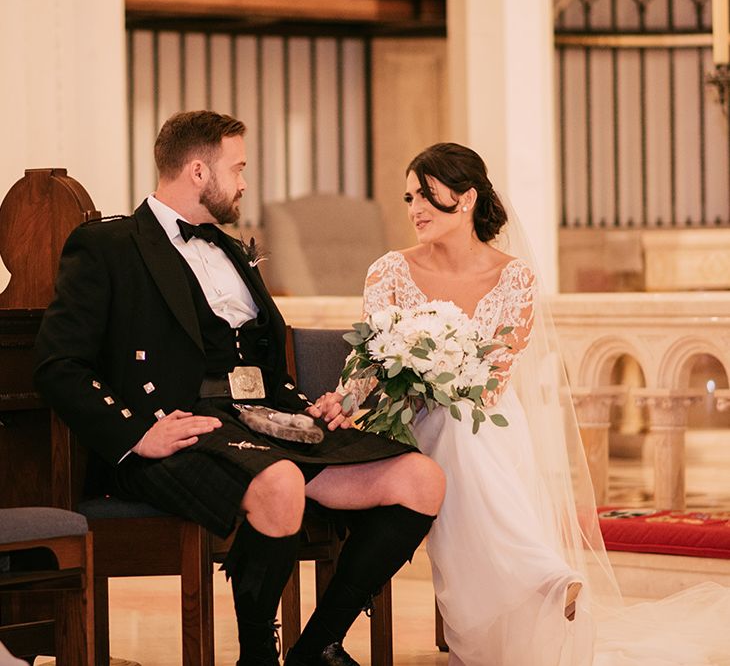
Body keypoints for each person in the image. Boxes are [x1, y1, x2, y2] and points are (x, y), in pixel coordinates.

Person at [34, 110, 445, 666]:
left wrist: (310, 408)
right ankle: (257, 655)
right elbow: (59, 363)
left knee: (421, 479)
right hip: (179, 431)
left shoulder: (229, 249)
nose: (246, 182)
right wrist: (136, 435)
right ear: (199, 171)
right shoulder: (108, 246)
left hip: (264, 421)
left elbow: (266, 363)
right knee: (279, 485)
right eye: (239, 167)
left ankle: (318, 644)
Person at [315, 142, 730, 665]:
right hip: (407, 425)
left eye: (426, 195)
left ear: (465, 199)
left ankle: (533, 580)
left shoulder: (513, 279)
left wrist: (445, 373)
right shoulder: (389, 271)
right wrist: (342, 399)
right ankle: (540, 574)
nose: (414, 208)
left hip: (484, 422)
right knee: (456, 427)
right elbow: (371, 359)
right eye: (408, 197)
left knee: (466, 425)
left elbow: (492, 382)